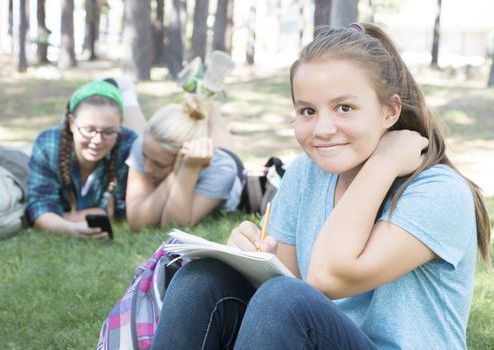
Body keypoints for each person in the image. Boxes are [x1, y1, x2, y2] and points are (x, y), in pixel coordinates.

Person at [150, 23, 491, 349]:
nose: (323, 128)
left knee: (285, 299)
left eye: (345, 108)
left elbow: (327, 278)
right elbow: (288, 283)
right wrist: (253, 258)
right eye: (308, 111)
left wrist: (383, 164)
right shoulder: (307, 173)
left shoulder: (439, 192)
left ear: (390, 111)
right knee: (204, 278)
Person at [26, 78, 143, 239]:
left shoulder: (128, 144)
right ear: (72, 123)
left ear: (120, 126)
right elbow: (38, 208)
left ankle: (126, 88)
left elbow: (124, 209)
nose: (97, 140)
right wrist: (70, 228)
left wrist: (66, 215)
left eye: (109, 132)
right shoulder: (47, 144)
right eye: (89, 130)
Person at [125, 95, 244, 229]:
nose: (147, 168)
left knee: (215, 123)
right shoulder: (144, 145)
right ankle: (204, 95)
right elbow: (137, 221)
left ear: (184, 156)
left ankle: (209, 100)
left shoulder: (222, 169)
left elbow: (173, 225)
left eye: (159, 164)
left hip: (226, 166)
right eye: (144, 156)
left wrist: (188, 169)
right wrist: (175, 173)